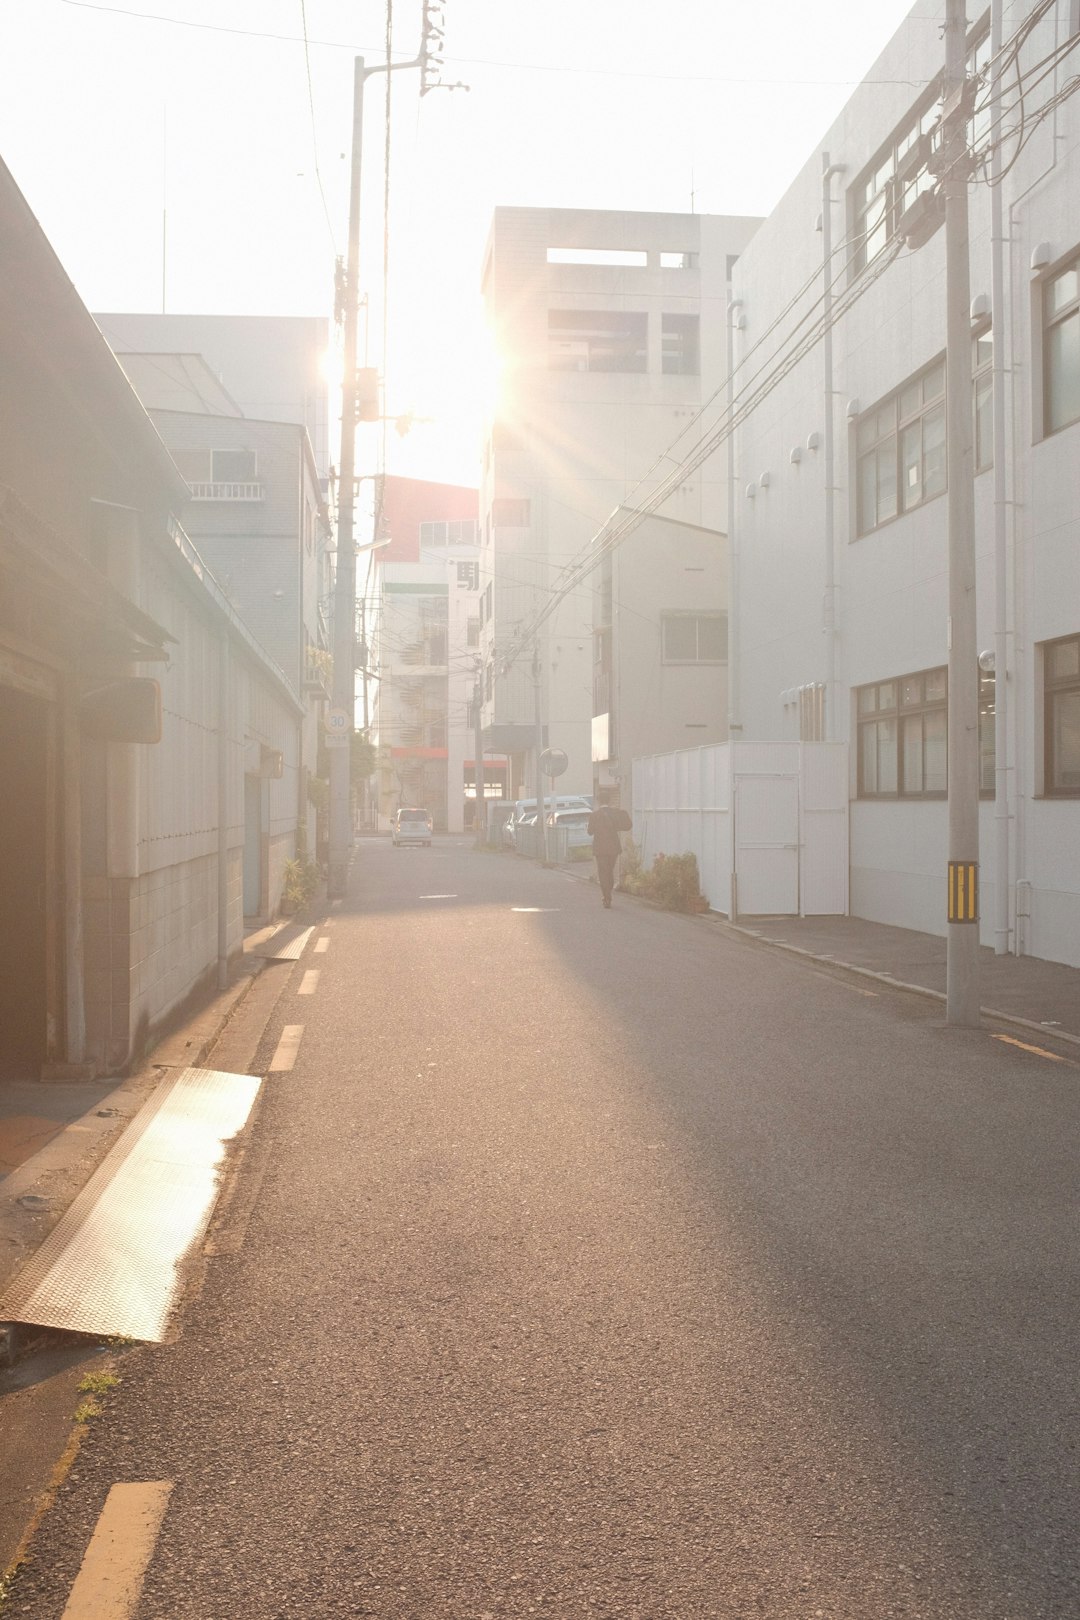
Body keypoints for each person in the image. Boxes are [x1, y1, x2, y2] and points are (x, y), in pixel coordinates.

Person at [587, 805, 623, 909]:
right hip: (613, 847)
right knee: (609, 870)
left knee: (603, 873)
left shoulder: (594, 815)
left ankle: (607, 897)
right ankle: (608, 891)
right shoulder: (615, 813)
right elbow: (621, 826)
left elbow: (590, 832)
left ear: (600, 802)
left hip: (600, 848)